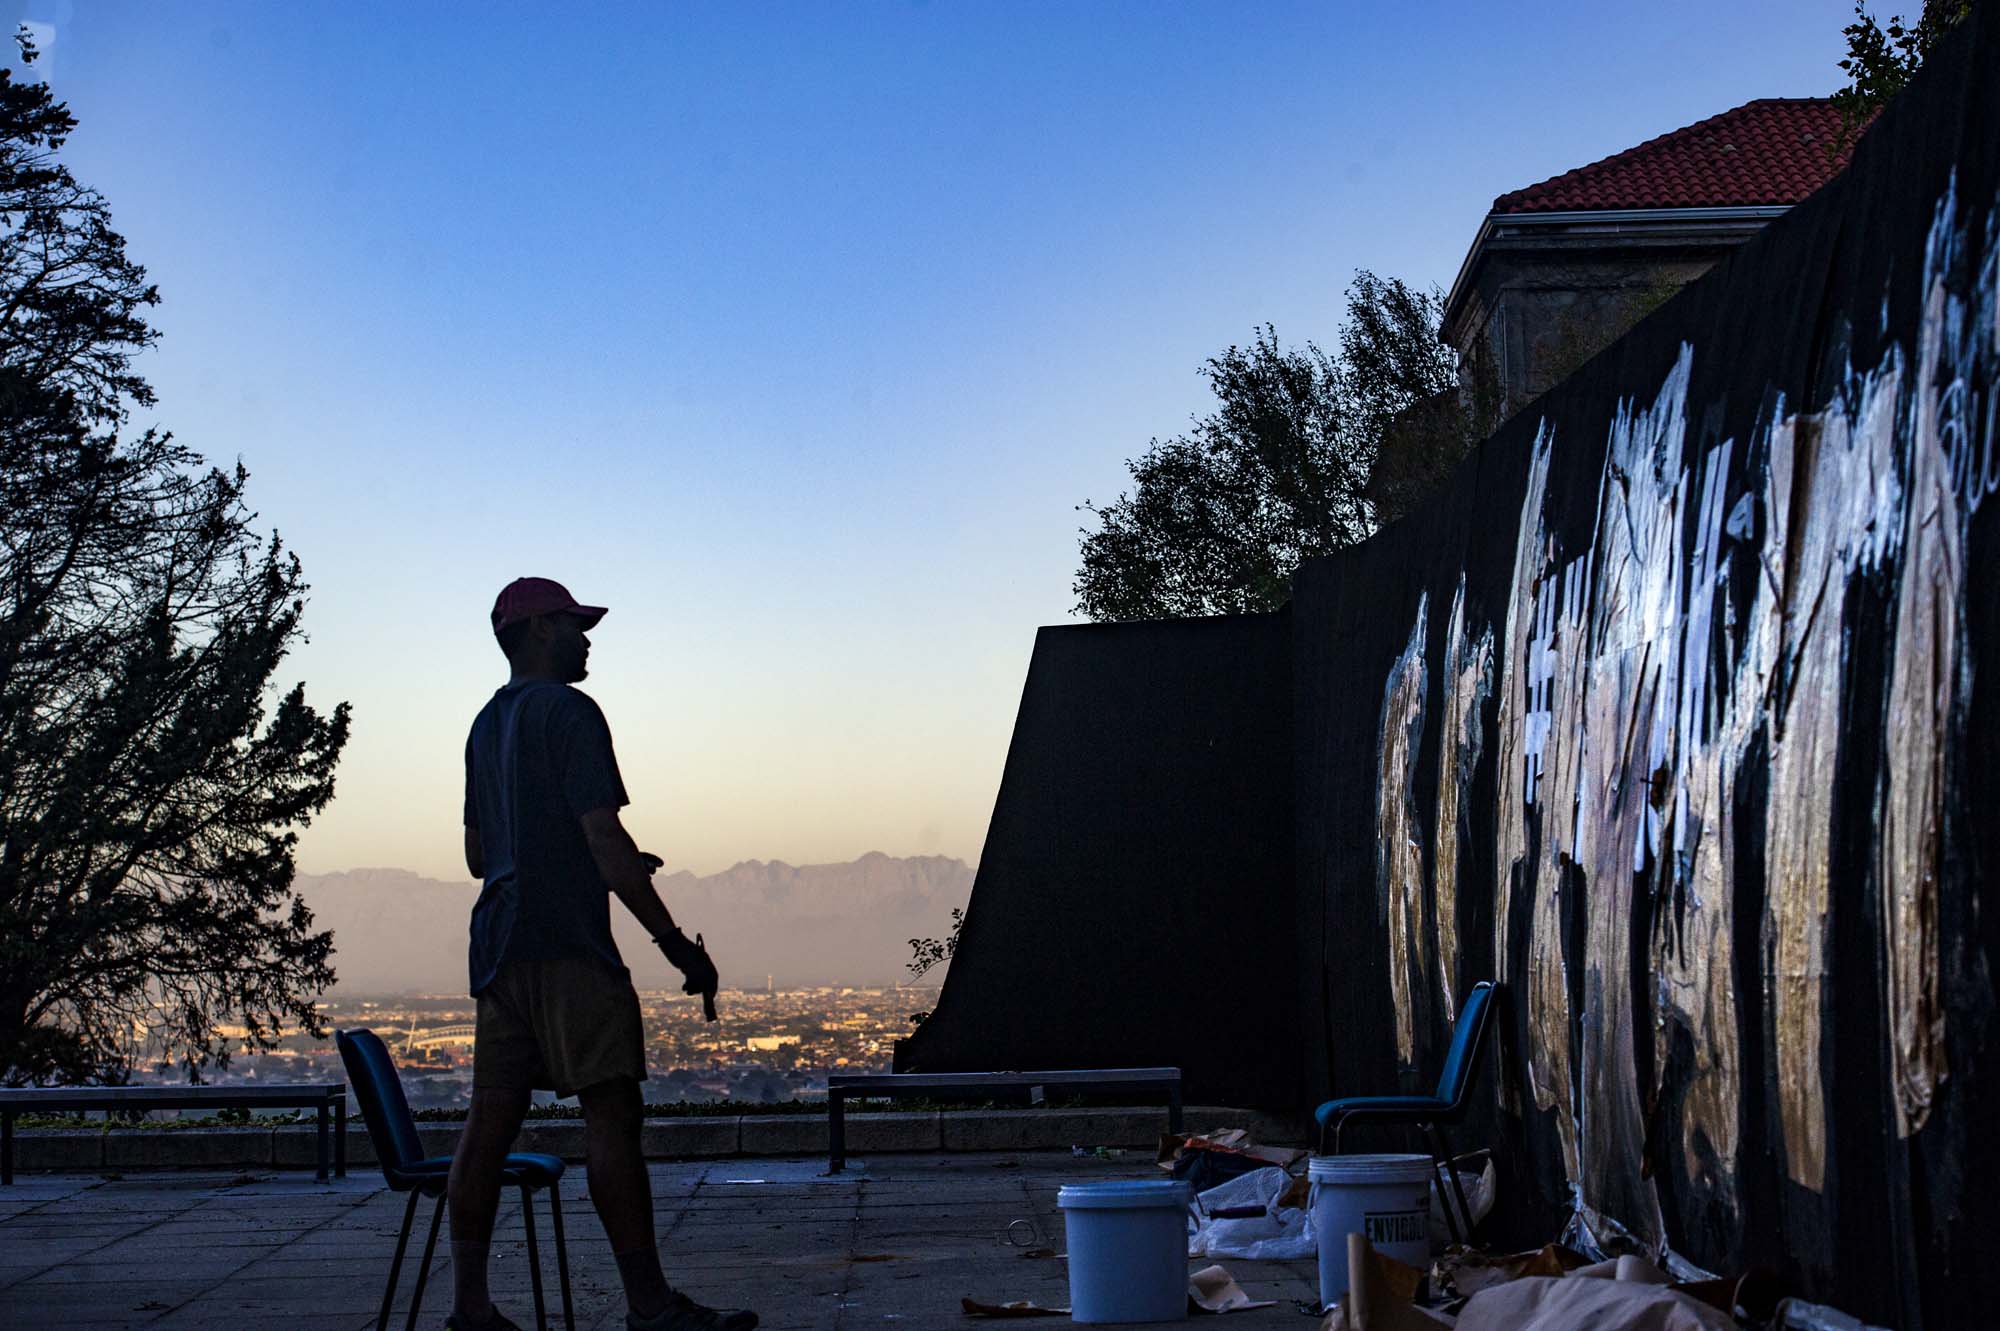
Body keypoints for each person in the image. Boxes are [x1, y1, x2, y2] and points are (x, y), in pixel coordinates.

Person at [450, 576, 757, 1331]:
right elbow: (604, 840)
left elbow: (477, 852)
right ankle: (650, 1305)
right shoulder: (572, 712)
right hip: (565, 941)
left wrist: (570, 856)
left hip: (497, 946)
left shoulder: (485, 726)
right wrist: (676, 943)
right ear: (541, 633)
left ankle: (471, 1308)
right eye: (575, 624)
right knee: (611, 1113)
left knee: (488, 1125)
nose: (587, 637)